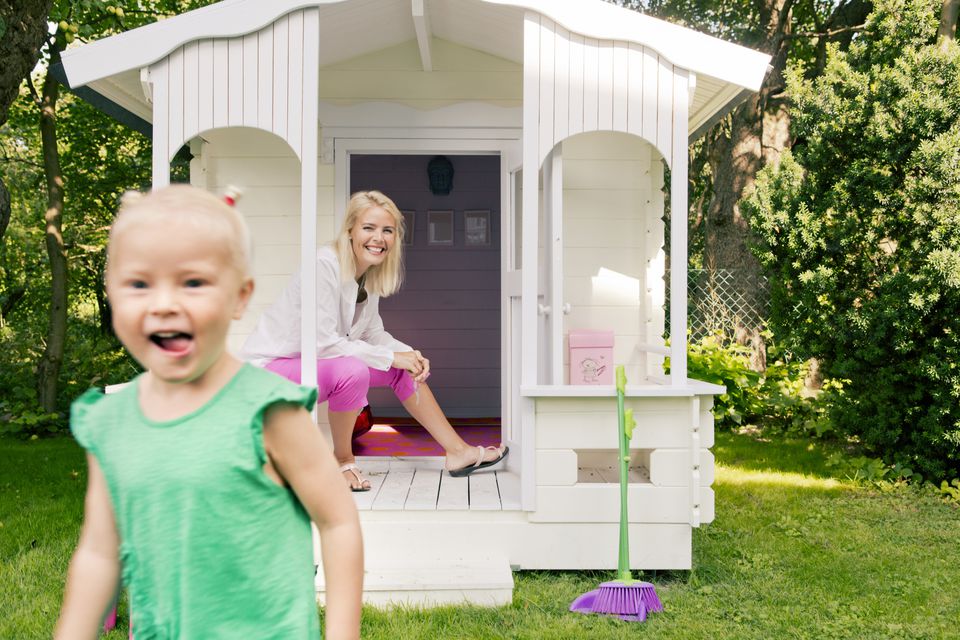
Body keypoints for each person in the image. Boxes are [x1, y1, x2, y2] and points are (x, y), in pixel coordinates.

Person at [55, 186, 363, 640]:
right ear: (111, 294)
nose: (163, 303)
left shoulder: (269, 411)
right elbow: (100, 552)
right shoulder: (110, 422)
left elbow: (338, 522)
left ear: (240, 297)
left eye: (193, 282)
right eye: (138, 283)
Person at [241, 190, 508, 492]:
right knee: (352, 370)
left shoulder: (368, 275)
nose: (378, 238)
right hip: (271, 369)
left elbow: (372, 335)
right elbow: (323, 343)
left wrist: (408, 354)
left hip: (314, 366)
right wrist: (392, 357)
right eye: (368, 228)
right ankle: (343, 462)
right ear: (351, 230)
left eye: (387, 230)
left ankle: (459, 453)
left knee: (402, 368)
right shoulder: (324, 264)